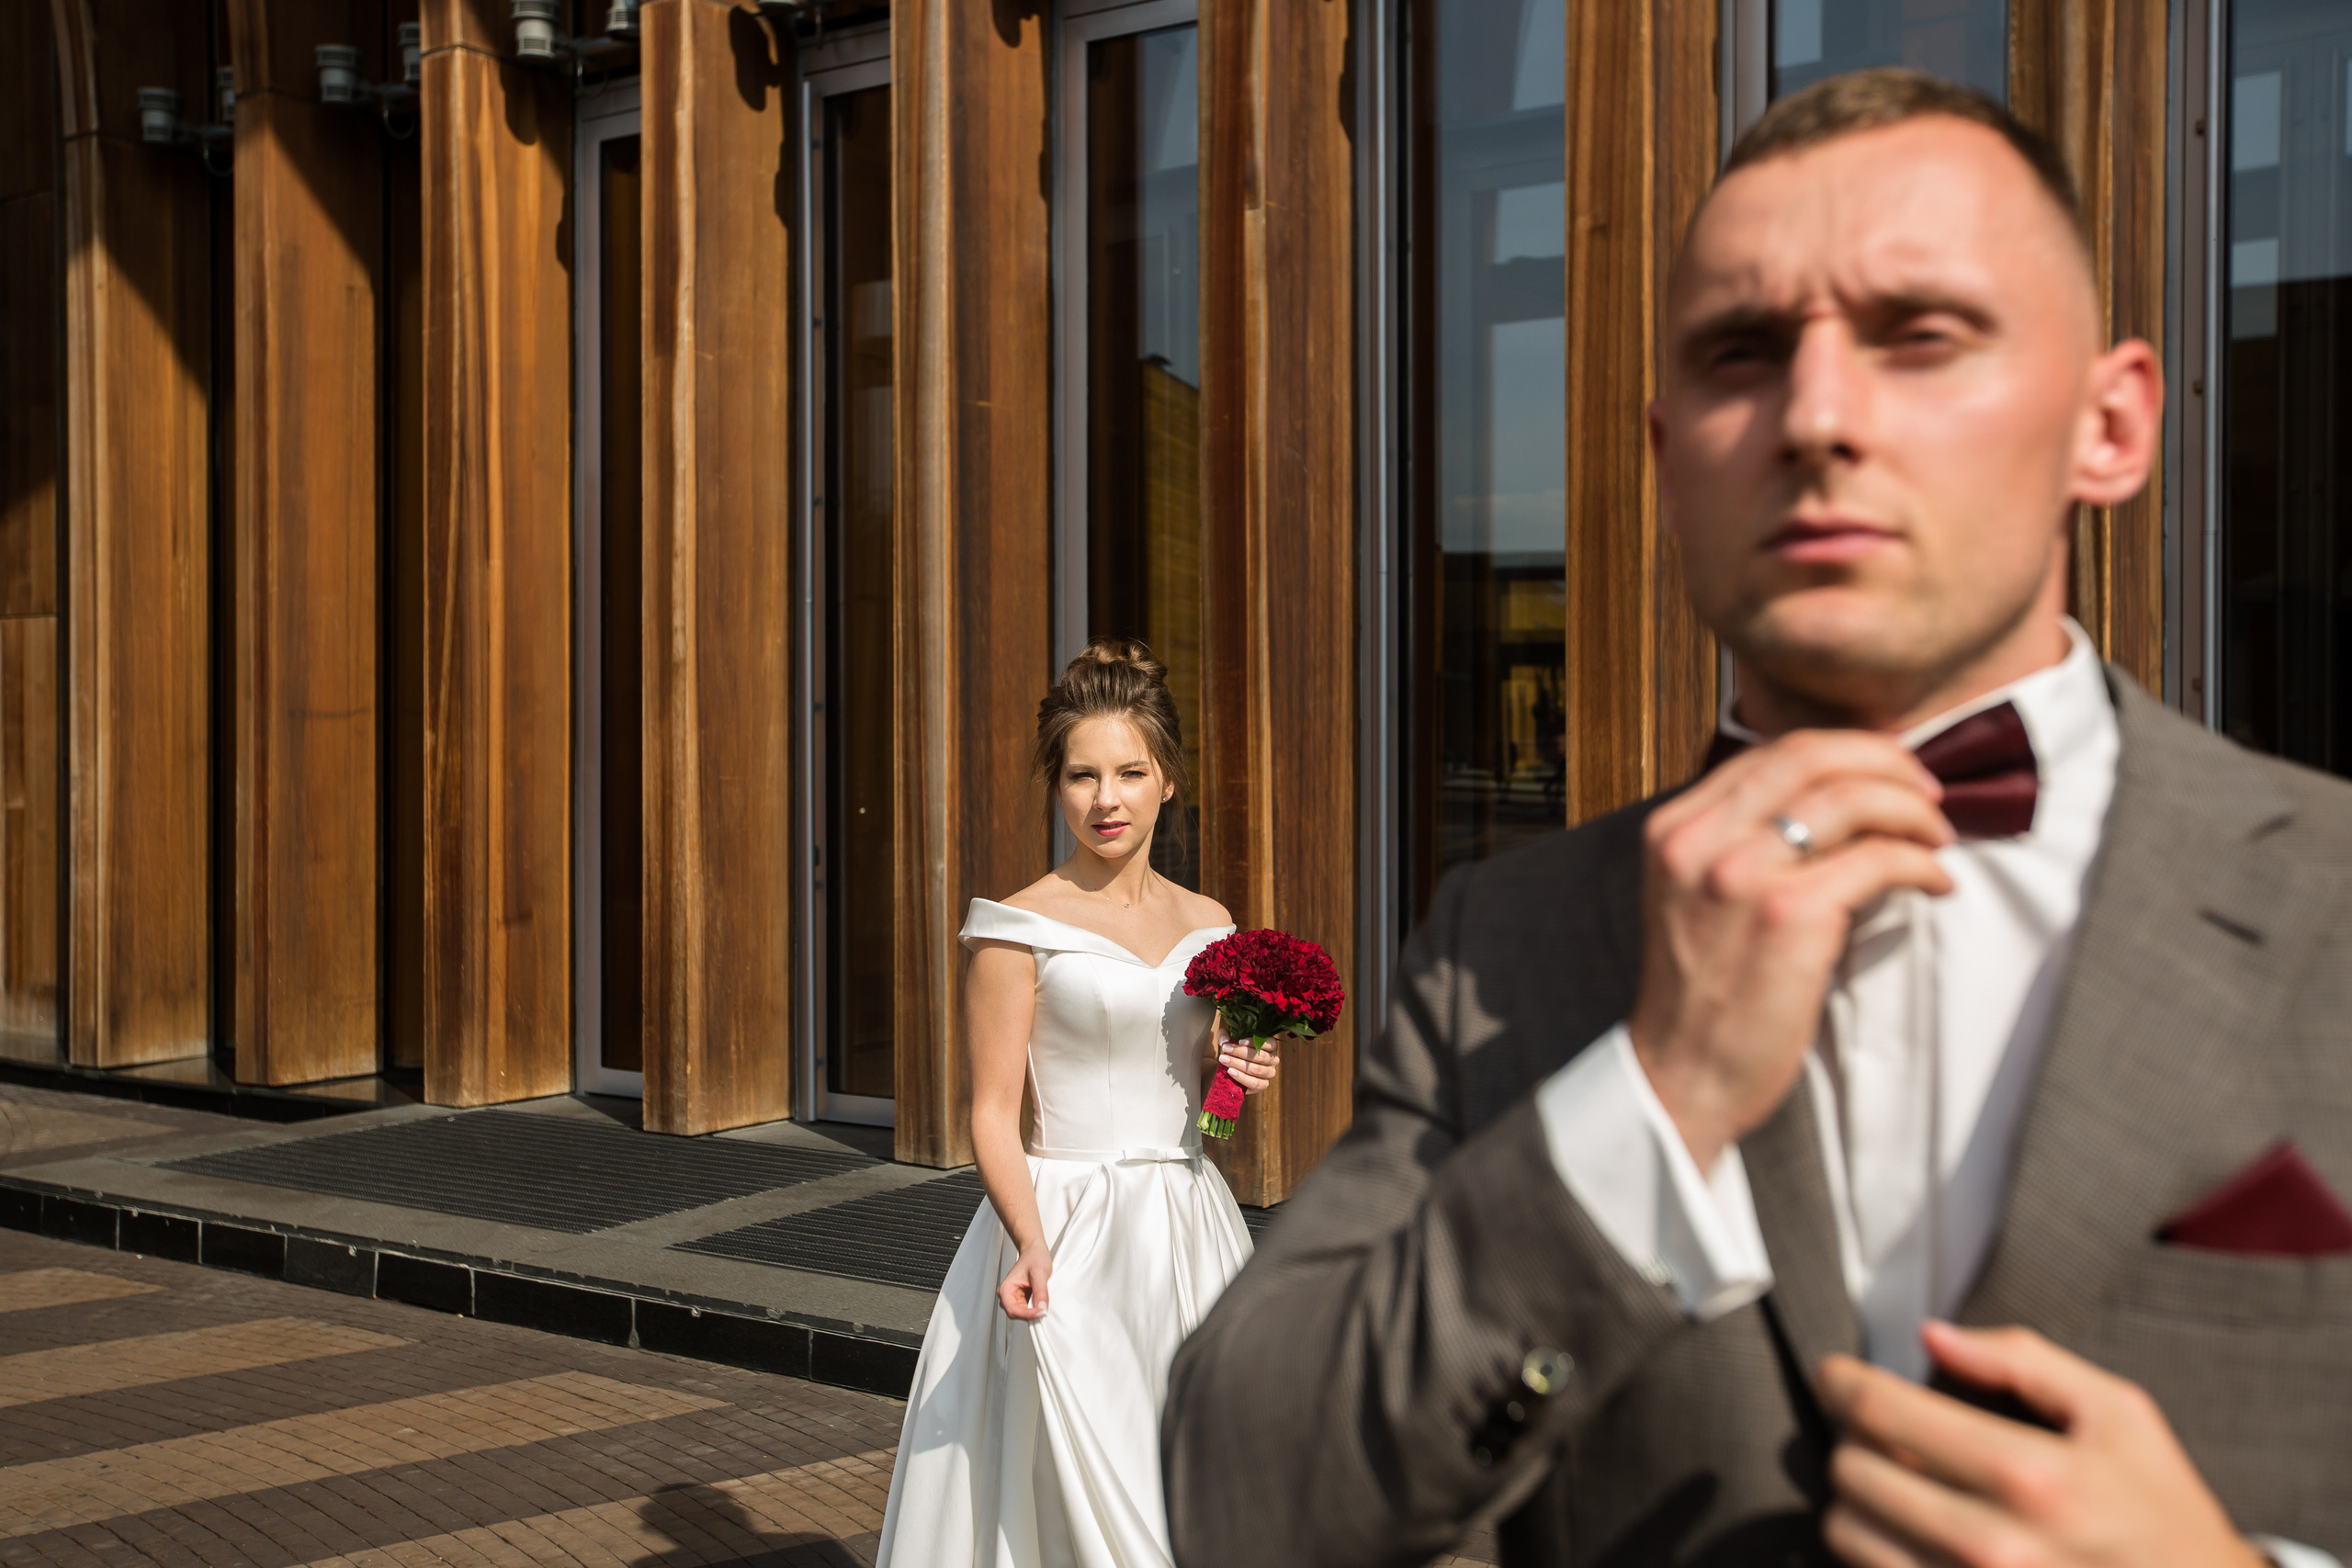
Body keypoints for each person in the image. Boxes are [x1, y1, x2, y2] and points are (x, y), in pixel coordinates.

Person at [1161, 70, 2352, 1568]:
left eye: (1922, 335)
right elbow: (1246, 1504)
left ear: (2109, 425)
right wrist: (1652, 1093)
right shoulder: (1511, 939)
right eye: (1743, 352)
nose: (1818, 415)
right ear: (1667, 464)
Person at [876, 638, 1280, 1568]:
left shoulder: (1210, 923)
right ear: (1055, 787)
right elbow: (989, 1113)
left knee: (1195, 1479)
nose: (1107, 799)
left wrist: (1241, 1074)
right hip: (1066, 1237)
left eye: (1130, 773)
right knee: (1085, 1489)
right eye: (1082, 775)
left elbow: (1200, 1087)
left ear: (1167, 780)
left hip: (1187, 1227)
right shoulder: (1016, 928)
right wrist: (1027, 1241)